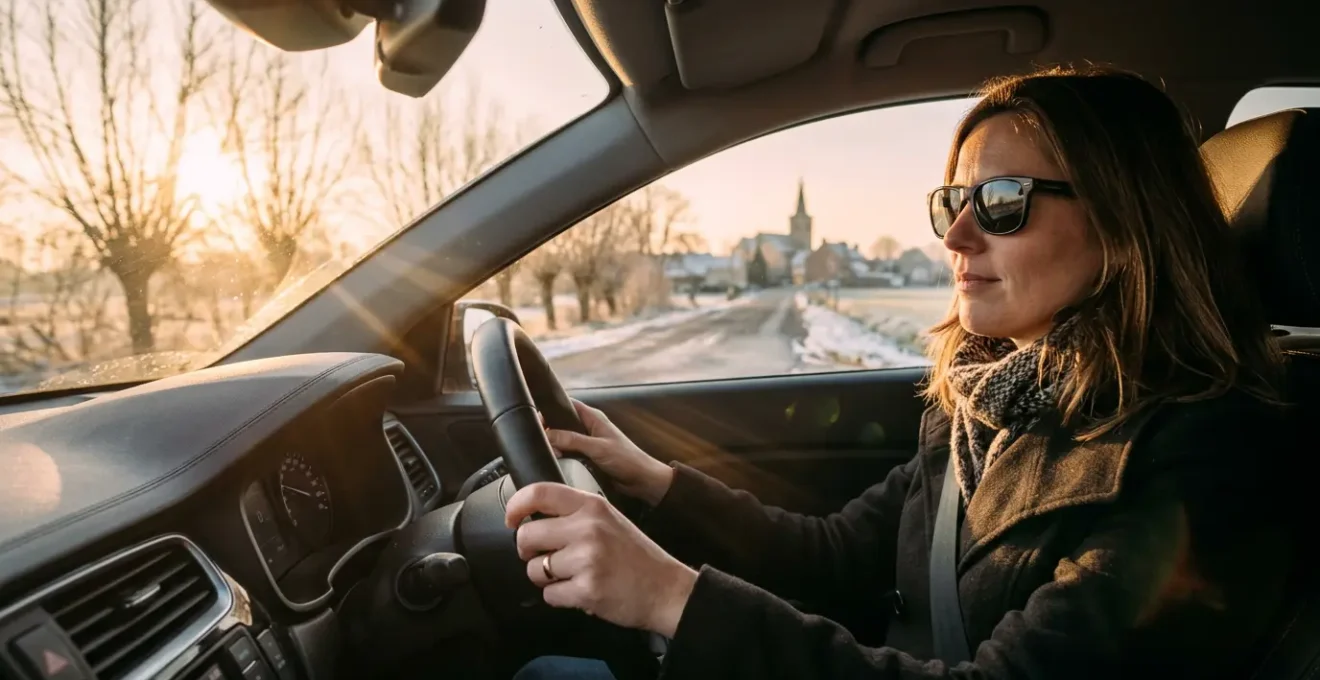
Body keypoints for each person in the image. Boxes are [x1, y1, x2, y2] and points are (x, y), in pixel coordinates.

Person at [507, 65, 1292, 679]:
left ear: (1128, 221)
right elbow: (837, 555)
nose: (955, 235)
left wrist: (673, 598)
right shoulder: (988, 401)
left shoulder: (1207, 457)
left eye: (1003, 200)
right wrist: (654, 482)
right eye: (954, 199)